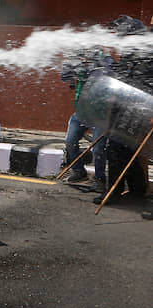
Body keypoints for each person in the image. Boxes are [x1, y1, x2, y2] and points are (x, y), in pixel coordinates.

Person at [93, 15, 153, 206]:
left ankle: (114, 192)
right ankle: (137, 189)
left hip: (139, 111)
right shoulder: (131, 53)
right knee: (126, 148)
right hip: (124, 110)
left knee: (117, 149)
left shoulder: (146, 54)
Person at [60, 47, 113, 189]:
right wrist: (70, 63)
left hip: (100, 113)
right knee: (70, 141)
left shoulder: (105, 59)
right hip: (81, 112)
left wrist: (89, 65)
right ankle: (79, 171)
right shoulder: (78, 59)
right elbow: (64, 76)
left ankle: (100, 179)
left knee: (98, 149)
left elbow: (106, 75)